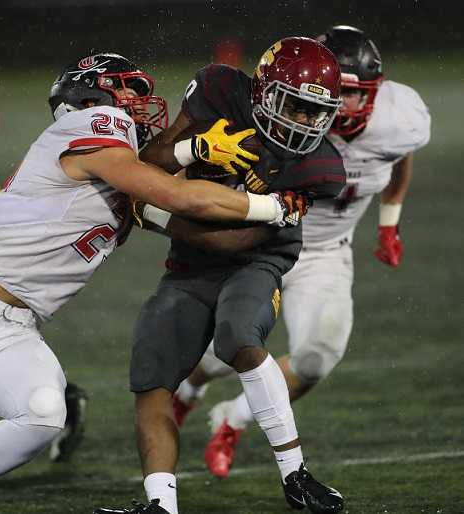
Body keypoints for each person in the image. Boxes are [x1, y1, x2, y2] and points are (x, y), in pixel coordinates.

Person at [0, 52, 308, 513]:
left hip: (15, 324)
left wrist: (205, 167)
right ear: (92, 95)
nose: (139, 103)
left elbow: (175, 207)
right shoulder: (94, 124)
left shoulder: (115, 160)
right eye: (128, 90)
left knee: (44, 414)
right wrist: (272, 206)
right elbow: (178, 198)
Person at [94, 37, 348, 514]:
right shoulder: (219, 89)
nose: (305, 123)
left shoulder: (320, 166)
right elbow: (153, 162)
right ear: (265, 92)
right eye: (295, 106)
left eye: (316, 113)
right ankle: (160, 505)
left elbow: (233, 242)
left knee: (238, 336)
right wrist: (196, 148)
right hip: (189, 265)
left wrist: (160, 214)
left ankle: (296, 475)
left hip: (256, 258)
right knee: (152, 372)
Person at [172, 25, 431, 482]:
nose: (347, 108)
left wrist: (389, 223)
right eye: (339, 94)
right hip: (262, 241)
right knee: (234, 343)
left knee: (317, 356)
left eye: (359, 95)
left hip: (327, 251)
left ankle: (233, 418)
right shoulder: (281, 109)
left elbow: (398, 154)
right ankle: (189, 388)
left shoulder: (401, 117)